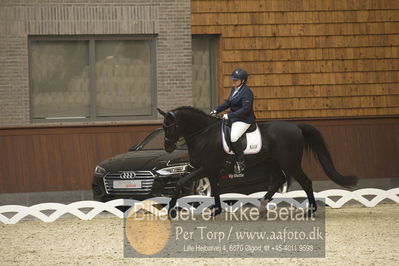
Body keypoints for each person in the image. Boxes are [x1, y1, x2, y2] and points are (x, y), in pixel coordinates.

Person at [210, 68, 256, 173]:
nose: (233, 82)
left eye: (236, 80)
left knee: (234, 137)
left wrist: (229, 115)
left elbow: (246, 109)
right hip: (235, 117)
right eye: (233, 79)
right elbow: (228, 102)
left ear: (243, 81)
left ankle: (241, 161)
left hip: (244, 119)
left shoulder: (247, 92)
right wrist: (216, 110)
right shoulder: (234, 89)